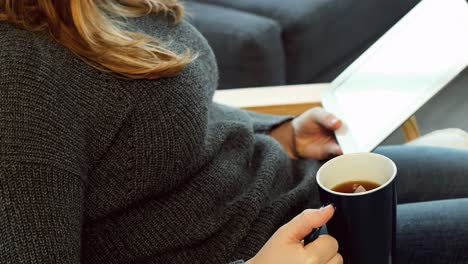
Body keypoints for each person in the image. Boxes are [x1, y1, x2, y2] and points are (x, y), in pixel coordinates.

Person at [0, 1, 467, 263]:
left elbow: (159, 114)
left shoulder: (95, 8)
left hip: (284, 175)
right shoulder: (19, 78)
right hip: (274, 247)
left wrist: (283, 135)